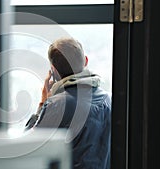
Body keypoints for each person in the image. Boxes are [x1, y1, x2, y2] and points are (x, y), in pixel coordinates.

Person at [25, 37, 111, 169]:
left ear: (53, 70)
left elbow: (27, 149)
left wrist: (43, 102)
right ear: (86, 61)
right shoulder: (108, 100)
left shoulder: (57, 105)